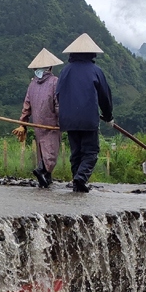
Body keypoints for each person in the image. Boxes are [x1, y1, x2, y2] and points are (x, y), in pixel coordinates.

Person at [56, 33, 113, 193]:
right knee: (91, 151)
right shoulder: (95, 70)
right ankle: (80, 178)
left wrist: (67, 112)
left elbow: (58, 94)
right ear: (91, 53)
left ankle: (77, 182)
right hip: (88, 119)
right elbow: (104, 96)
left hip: (68, 119)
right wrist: (108, 116)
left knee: (76, 152)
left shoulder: (65, 71)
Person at [12, 48, 63, 188]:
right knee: (51, 152)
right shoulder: (55, 82)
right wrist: (62, 120)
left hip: (37, 124)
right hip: (51, 125)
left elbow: (26, 106)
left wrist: (23, 122)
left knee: (43, 150)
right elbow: (58, 104)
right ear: (51, 67)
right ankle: (41, 170)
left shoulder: (32, 83)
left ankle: (47, 178)